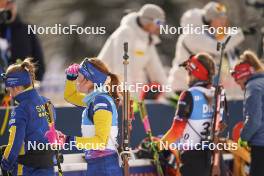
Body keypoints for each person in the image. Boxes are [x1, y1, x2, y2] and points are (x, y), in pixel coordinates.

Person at [168, 2, 244, 96]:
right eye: (219, 20)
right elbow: (218, 48)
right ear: (210, 19)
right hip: (183, 88)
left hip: (196, 88)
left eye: (224, 20)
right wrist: (240, 34)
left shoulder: (207, 35)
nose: (222, 23)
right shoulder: (193, 35)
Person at [61, 57, 122, 176]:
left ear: (89, 79)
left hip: (104, 165)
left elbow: (100, 142)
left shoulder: (100, 101)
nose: (77, 79)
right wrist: (70, 79)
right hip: (99, 164)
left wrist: (68, 140)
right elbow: (69, 96)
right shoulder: (94, 98)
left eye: (79, 75)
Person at [158, 53, 216, 176]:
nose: (187, 75)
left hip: (192, 159)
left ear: (194, 72)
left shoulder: (189, 94)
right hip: (212, 156)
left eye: (188, 71)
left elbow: (176, 131)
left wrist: (157, 146)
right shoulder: (217, 93)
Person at [98, 4, 167, 97]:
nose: (160, 27)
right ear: (147, 21)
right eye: (158, 23)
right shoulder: (125, 33)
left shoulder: (148, 39)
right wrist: (128, 95)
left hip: (127, 90)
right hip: (105, 86)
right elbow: (121, 67)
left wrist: (169, 95)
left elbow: (156, 70)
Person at [0, 58, 55, 175]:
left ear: (16, 87)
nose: (10, 95)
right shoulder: (47, 102)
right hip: (49, 166)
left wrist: (5, 164)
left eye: (9, 90)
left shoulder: (21, 110)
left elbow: (15, 142)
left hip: (28, 168)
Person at [230, 50, 264, 176]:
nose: (241, 87)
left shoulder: (253, 87)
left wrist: (243, 138)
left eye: (238, 82)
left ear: (243, 75)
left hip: (261, 147)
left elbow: (254, 120)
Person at [0, 0, 45, 81]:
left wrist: (29, 84)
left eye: (11, 3)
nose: (9, 6)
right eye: (4, 3)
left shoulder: (27, 30)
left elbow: (39, 64)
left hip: (23, 87)